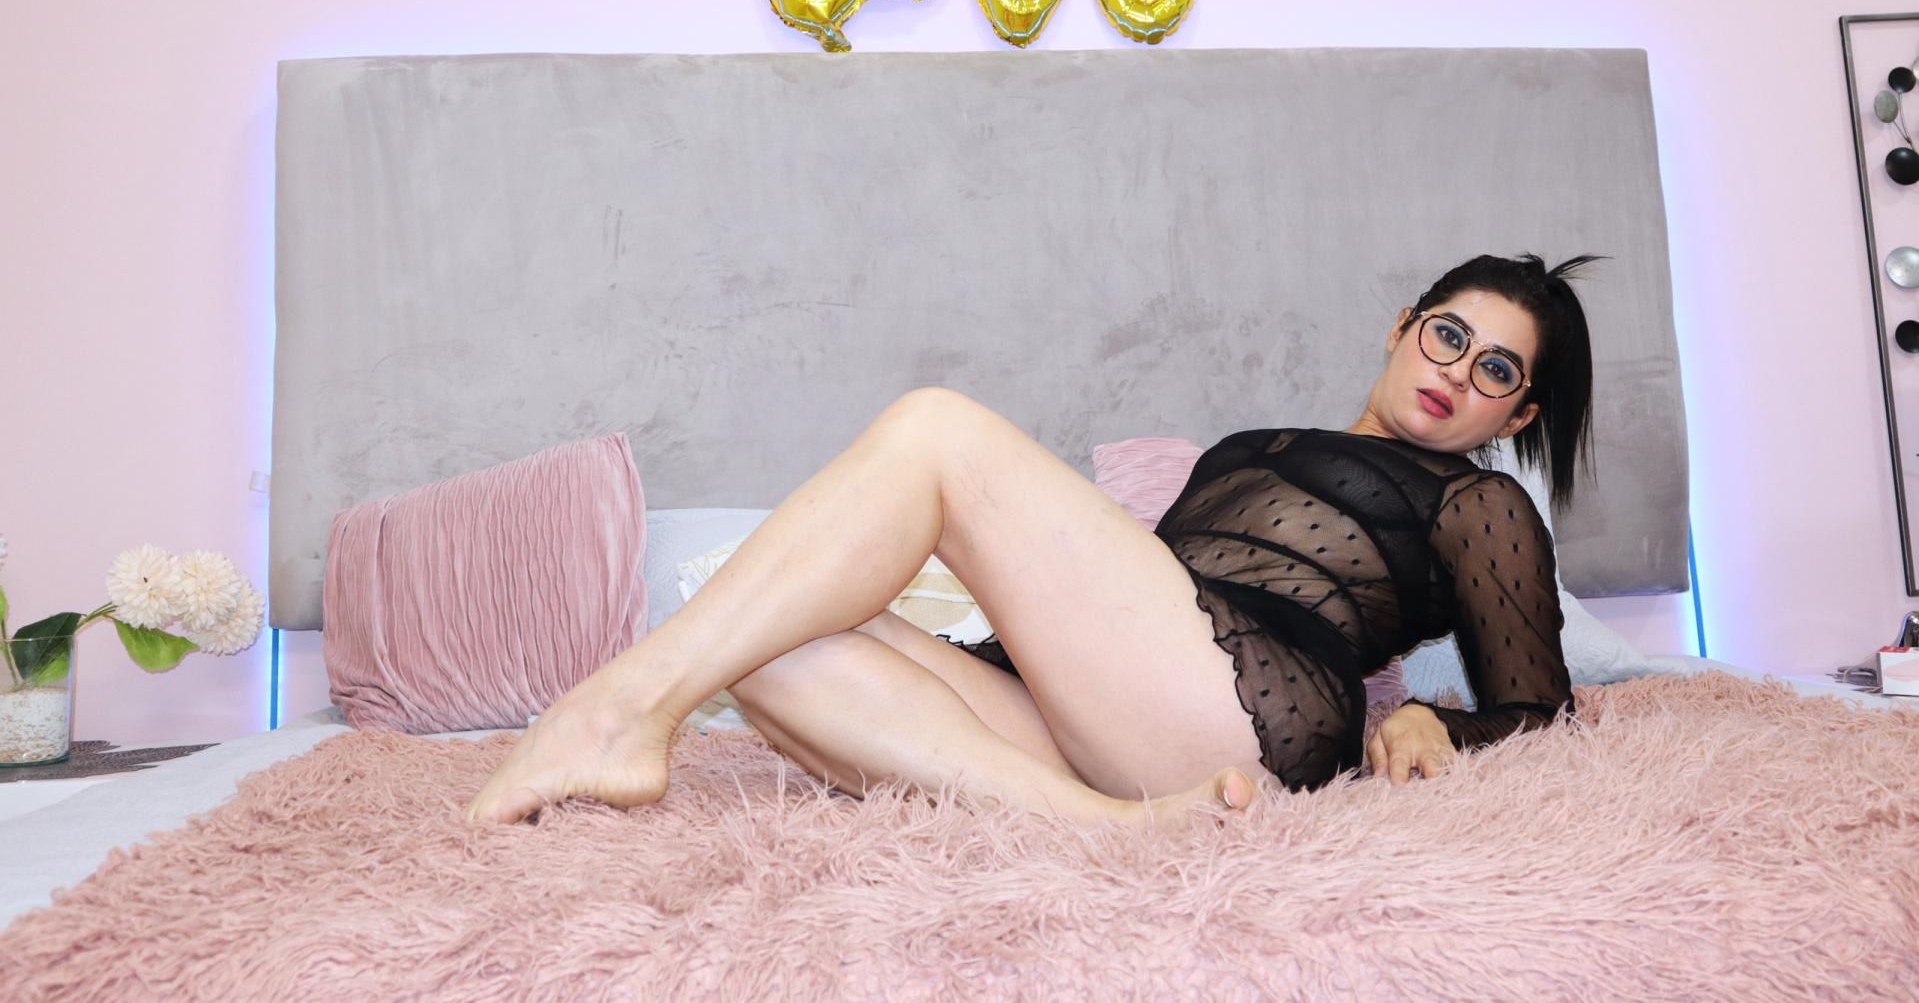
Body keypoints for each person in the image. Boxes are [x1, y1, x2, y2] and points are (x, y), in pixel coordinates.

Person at [466, 252, 1598, 831]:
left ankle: (612, 710)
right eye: (1446, 335)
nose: (1456, 371)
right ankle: (1105, 829)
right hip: (1124, 720)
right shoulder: (1255, 443)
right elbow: (1137, 601)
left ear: (1518, 414)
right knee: (759, 634)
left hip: (1258, 706)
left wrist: (1430, 718)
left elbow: (1538, 708)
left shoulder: (1478, 504)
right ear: (1400, 327)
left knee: (935, 429)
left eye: (1495, 369)